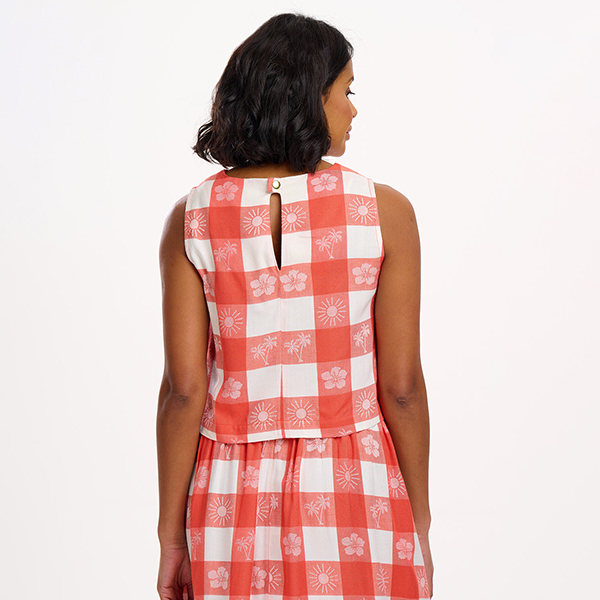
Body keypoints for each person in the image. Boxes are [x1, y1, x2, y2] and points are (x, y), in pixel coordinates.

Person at [156, 13, 433, 600]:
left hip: (230, 494)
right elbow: (402, 388)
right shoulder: (384, 213)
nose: (354, 109)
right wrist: (419, 523)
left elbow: (183, 391)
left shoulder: (192, 218)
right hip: (355, 485)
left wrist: (171, 536)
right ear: (310, 95)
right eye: (346, 91)